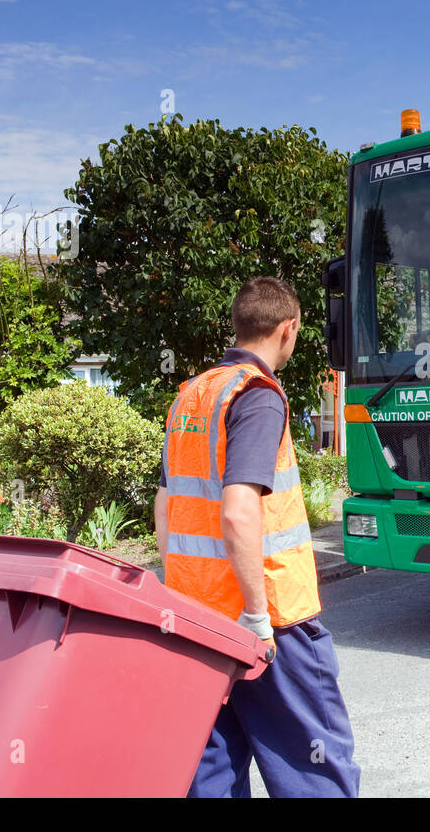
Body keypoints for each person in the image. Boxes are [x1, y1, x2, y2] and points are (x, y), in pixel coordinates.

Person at [154, 276, 360, 798]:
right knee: (314, 768)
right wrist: (254, 617)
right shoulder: (257, 396)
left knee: (213, 771)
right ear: (287, 330)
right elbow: (240, 508)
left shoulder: (192, 396)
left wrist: (185, 595)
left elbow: (166, 505)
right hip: (268, 623)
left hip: (198, 620)